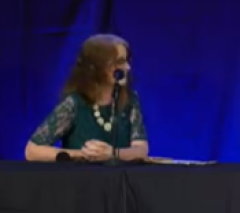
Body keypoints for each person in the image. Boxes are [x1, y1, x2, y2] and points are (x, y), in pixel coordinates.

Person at [24, 34, 149, 162]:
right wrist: (84, 154)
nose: (128, 67)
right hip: (81, 180)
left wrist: (113, 153)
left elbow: (141, 150)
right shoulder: (74, 103)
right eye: (119, 62)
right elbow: (32, 151)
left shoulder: (130, 100)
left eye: (127, 61)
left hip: (120, 181)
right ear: (96, 67)